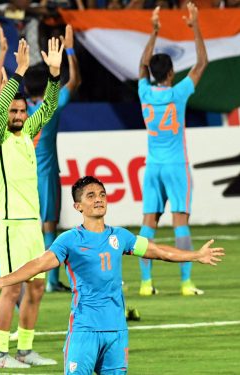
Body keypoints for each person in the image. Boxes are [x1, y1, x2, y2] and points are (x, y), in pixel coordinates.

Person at [0, 176, 225, 374]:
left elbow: (157, 251)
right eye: (91, 195)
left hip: (116, 331)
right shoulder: (69, 240)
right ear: (78, 205)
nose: (98, 199)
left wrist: (195, 255)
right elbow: (39, 264)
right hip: (84, 330)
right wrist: (2, 281)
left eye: (102, 194)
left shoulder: (120, 236)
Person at [0, 37, 62, 368]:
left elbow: (48, 108)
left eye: (21, 109)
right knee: (11, 291)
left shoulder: (27, 134)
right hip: (11, 226)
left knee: (37, 289)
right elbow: (1, 107)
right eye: (13, 110)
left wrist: (54, 76)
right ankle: (0, 354)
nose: (18, 113)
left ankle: (25, 350)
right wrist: (18, 72)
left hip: (32, 226)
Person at [0, 25, 82, 293]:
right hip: (45, 175)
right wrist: (69, 50)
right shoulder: (49, 110)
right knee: (48, 226)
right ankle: (50, 281)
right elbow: (74, 81)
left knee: (25, 225)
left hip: (21, 179)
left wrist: (4, 54)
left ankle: (20, 273)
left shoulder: (16, 113)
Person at [137, 3, 207, 296]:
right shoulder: (178, 93)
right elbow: (202, 62)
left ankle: (145, 283)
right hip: (176, 165)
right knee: (180, 222)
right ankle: (186, 283)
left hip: (152, 166)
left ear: (152, 73)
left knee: (148, 224)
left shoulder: (143, 92)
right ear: (171, 73)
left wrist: (153, 32)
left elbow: (141, 65)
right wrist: (195, 27)